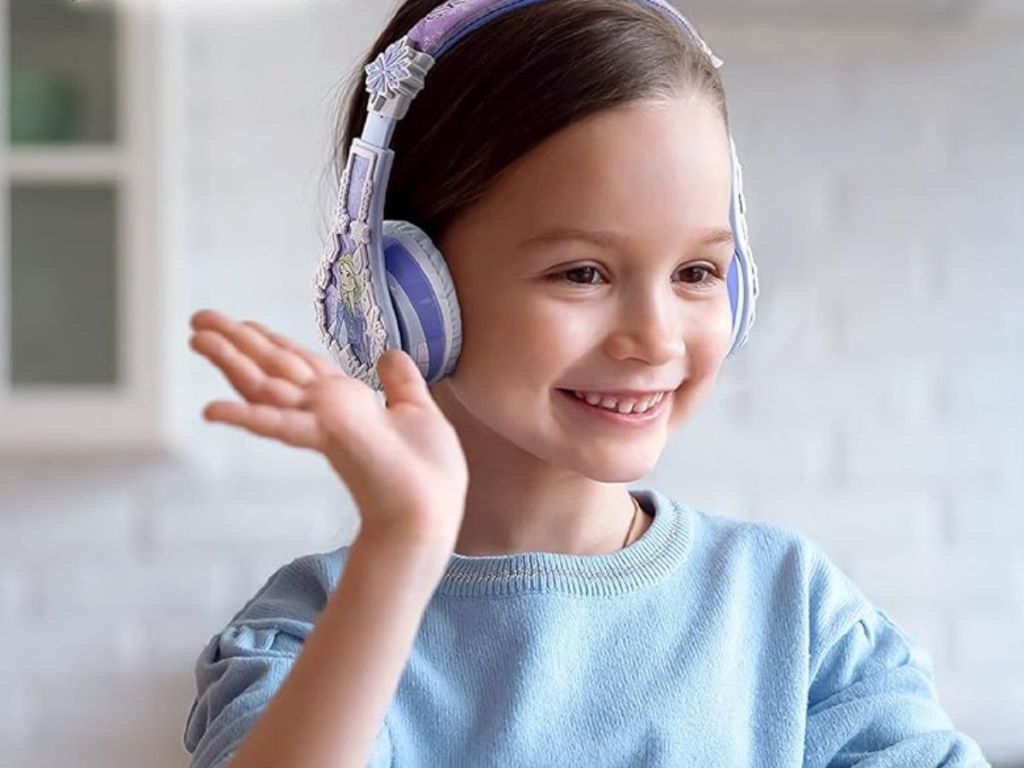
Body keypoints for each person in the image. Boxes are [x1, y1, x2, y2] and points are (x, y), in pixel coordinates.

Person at [181, 1, 992, 766]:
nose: (655, 338)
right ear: (409, 290)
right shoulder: (310, 631)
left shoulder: (794, 612)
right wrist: (402, 544)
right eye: (582, 272)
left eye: (698, 271)